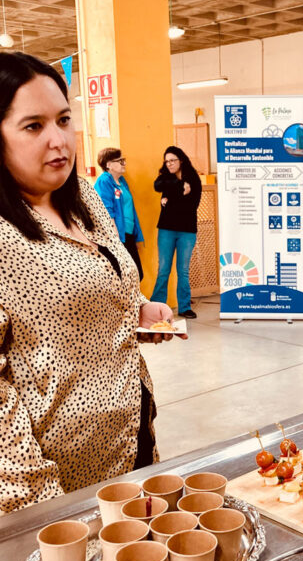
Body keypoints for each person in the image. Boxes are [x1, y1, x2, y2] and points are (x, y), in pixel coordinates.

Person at [0, 51, 184, 514]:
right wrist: (40, 505)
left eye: (64, 119)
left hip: (131, 438)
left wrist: (137, 307)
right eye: (33, 126)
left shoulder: (83, 199)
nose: (58, 139)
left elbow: (104, 276)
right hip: (55, 479)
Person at [150, 146, 202, 319]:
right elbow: (157, 186)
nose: (169, 163)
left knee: (183, 270)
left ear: (181, 160)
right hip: (166, 229)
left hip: (187, 231)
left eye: (173, 160)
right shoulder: (166, 178)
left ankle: (184, 307)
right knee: (163, 269)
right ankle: (157, 308)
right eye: (167, 161)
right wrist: (180, 188)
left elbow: (192, 205)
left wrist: (169, 200)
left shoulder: (193, 179)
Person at [94, 147, 145, 280]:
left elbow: (130, 209)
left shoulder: (122, 182)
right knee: (122, 276)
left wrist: (137, 235)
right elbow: (106, 210)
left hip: (127, 234)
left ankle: (133, 301)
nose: (124, 163)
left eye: (124, 160)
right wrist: (115, 236)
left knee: (137, 274)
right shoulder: (104, 181)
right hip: (116, 236)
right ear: (108, 165)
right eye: (120, 160)